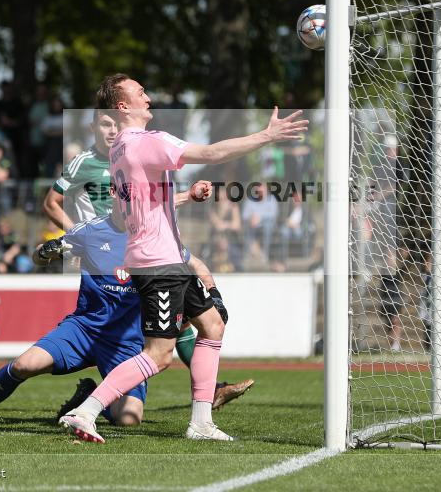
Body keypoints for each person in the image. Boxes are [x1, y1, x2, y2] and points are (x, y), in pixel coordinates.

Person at [61, 73, 306, 444]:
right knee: (159, 356)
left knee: (212, 326)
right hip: (158, 264)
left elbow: (136, 207)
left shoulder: (118, 151)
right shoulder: (146, 142)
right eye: (139, 92)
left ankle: (201, 422)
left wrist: (186, 197)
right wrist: (266, 136)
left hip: (163, 258)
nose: (147, 96)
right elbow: (210, 153)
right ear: (122, 106)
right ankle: (87, 410)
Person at [44, 109, 254, 418]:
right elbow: (51, 202)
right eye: (105, 124)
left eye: (115, 125)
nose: (112, 130)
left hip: (144, 241)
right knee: (158, 346)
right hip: (117, 247)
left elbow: (149, 200)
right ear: (93, 126)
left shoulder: (127, 151)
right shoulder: (87, 161)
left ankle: (205, 401)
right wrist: (79, 238)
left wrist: (188, 195)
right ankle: (90, 403)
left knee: (200, 298)